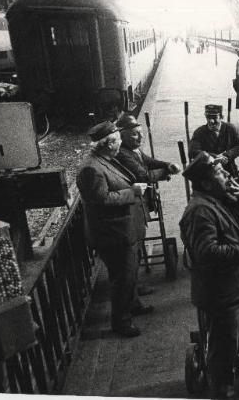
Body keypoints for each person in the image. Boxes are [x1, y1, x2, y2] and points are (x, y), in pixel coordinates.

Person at [179, 152, 239, 398]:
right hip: (222, 293)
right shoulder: (200, 211)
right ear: (205, 182)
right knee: (223, 347)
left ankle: (225, 350)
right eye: (218, 171)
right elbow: (208, 254)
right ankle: (221, 385)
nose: (226, 173)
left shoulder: (218, 197)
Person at [76, 122, 151, 338]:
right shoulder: (91, 169)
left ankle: (133, 304)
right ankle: (121, 323)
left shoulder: (104, 159)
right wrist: (132, 192)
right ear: (108, 144)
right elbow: (101, 200)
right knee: (122, 279)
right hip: (112, 234)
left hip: (120, 229)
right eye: (118, 140)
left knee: (128, 273)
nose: (120, 144)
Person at [115, 113, 181, 295]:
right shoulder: (122, 153)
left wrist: (167, 164)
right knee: (134, 248)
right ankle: (132, 289)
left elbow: (148, 162)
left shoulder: (132, 149)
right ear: (122, 135)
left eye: (141, 132)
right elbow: (142, 175)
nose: (141, 137)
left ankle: (134, 286)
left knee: (137, 245)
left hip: (138, 205)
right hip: (134, 206)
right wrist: (165, 173)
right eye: (135, 134)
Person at [189, 104, 239, 183]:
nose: (211, 121)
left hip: (229, 169)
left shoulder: (230, 128)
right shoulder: (199, 132)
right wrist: (215, 157)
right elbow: (192, 152)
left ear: (221, 117)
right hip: (208, 171)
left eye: (214, 117)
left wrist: (226, 155)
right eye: (208, 117)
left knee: (237, 193)